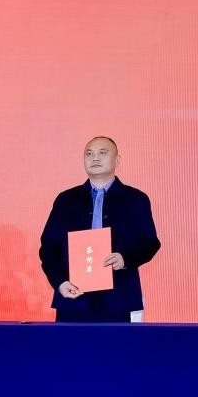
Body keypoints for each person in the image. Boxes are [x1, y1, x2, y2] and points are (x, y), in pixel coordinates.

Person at [39, 136, 160, 323]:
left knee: (118, 343)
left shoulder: (135, 199)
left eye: (102, 153)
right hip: (73, 296)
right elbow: (48, 248)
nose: (95, 158)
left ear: (117, 160)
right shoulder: (66, 200)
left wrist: (125, 259)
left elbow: (150, 242)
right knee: (69, 343)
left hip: (119, 298)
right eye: (89, 154)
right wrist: (60, 282)